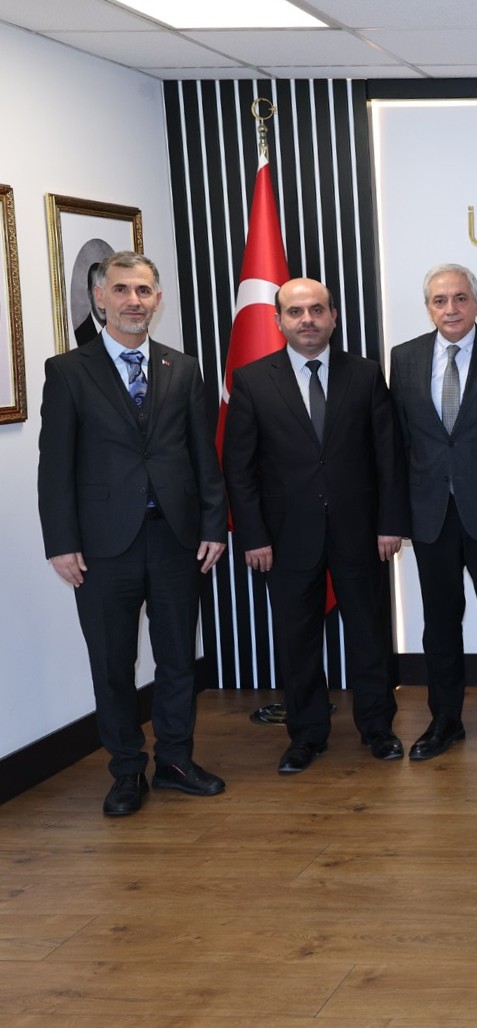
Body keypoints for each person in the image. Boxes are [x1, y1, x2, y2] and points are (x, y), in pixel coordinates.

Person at [38, 251, 228, 815]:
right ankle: (125, 771)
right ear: (100, 298)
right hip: (101, 548)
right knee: (113, 665)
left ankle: (175, 762)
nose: (133, 301)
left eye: (143, 291)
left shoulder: (183, 368)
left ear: (157, 299)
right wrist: (61, 542)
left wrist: (213, 524)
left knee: (177, 659)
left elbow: (203, 456)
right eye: (121, 290)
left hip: (176, 539)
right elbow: (55, 466)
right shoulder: (68, 371)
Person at [223, 277, 410, 774]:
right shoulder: (252, 380)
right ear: (278, 320)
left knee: (370, 635)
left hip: (361, 532)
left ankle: (378, 728)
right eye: (295, 311)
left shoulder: (365, 374)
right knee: (297, 640)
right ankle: (306, 735)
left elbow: (388, 456)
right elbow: (239, 469)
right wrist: (253, 535)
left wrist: (390, 522)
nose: (307, 319)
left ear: (333, 317)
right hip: (285, 537)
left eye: (317, 310)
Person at [391, 264, 477, 761]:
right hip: (430, 513)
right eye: (439, 300)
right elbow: (399, 442)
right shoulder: (404, 357)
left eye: (459, 298)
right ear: (428, 307)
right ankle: (444, 720)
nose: (450, 309)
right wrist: (397, 516)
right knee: (439, 622)